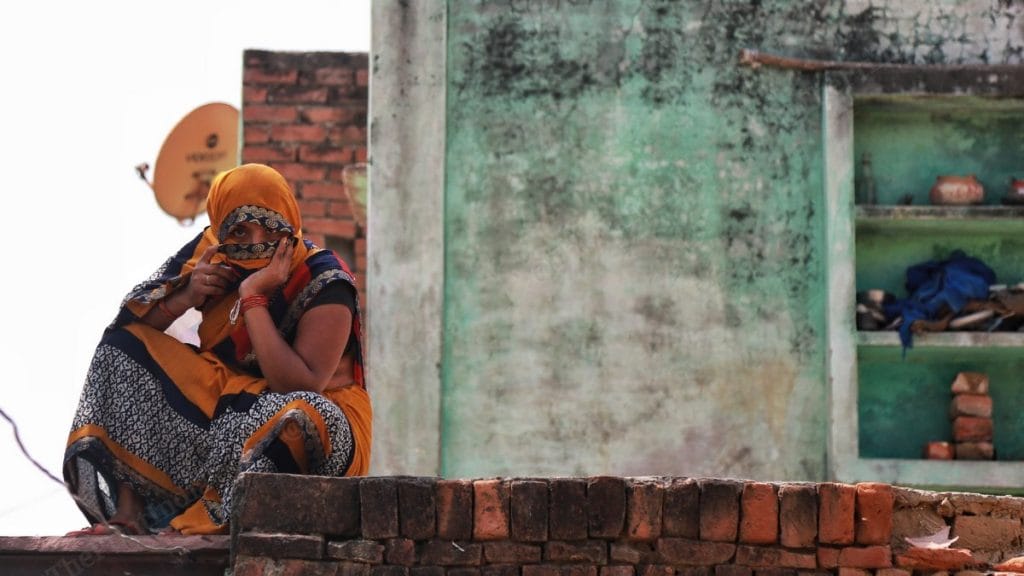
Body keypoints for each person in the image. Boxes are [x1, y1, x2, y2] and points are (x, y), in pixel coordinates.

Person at [63, 163, 371, 535]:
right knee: (121, 351)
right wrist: (188, 295)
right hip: (228, 401)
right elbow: (131, 327)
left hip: (318, 419)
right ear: (219, 230)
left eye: (270, 227)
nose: (255, 240)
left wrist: (253, 298)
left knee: (297, 413)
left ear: (289, 223)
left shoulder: (324, 277)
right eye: (239, 230)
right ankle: (130, 518)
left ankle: (206, 524)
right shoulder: (211, 256)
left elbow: (299, 384)